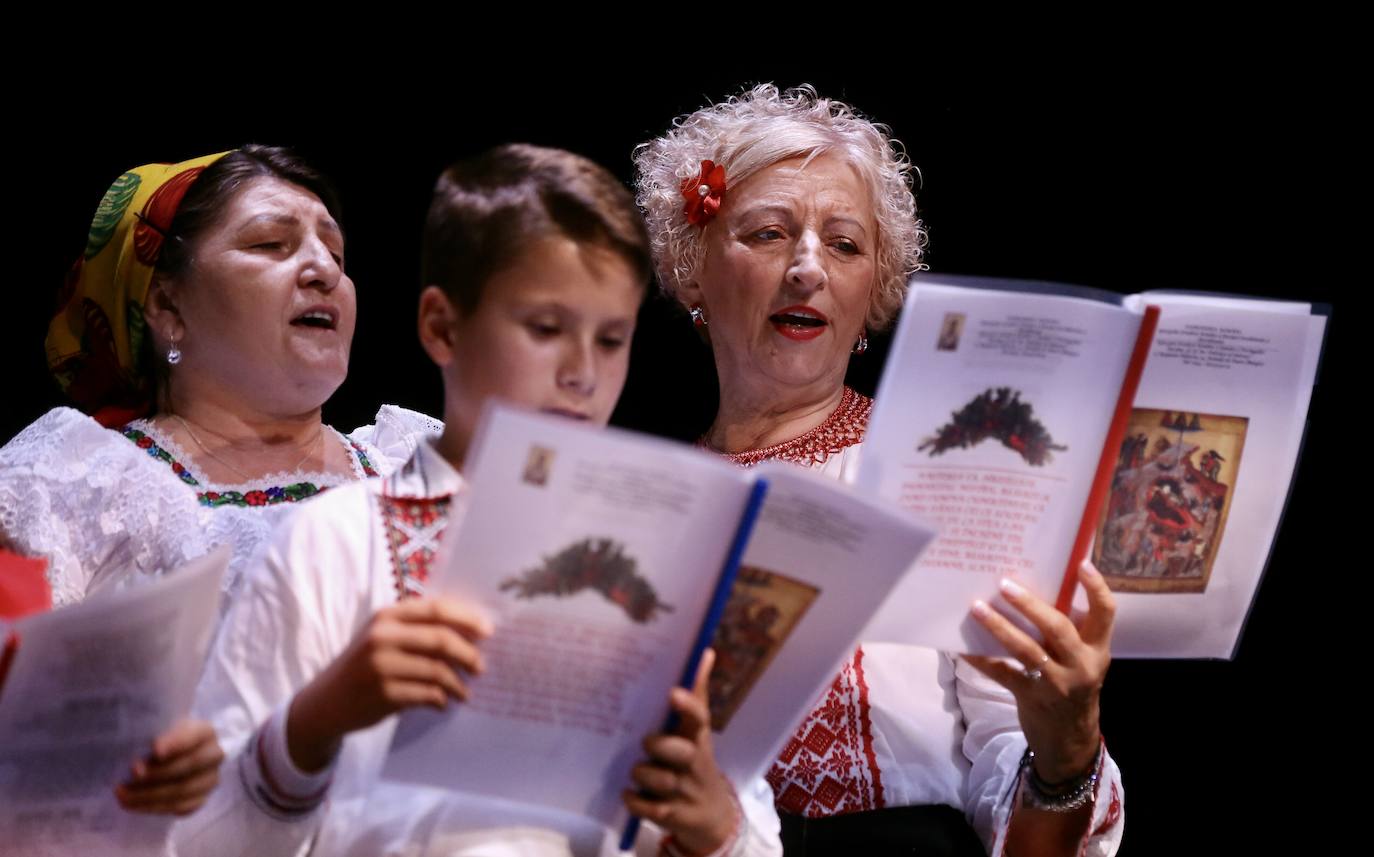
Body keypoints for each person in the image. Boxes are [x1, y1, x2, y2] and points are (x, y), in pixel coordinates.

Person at [176, 144, 782, 857]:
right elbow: (199, 839)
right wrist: (316, 721)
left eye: (611, 339)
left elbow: (747, 829)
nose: (582, 373)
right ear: (442, 326)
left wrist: (713, 823)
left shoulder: (665, 559)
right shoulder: (334, 539)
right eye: (546, 329)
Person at [635, 85, 1124, 856]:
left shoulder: (953, 478)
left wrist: (1065, 753)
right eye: (767, 233)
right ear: (690, 267)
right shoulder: (641, 502)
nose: (806, 268)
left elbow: (1020, 793)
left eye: (844, 244)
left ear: (875, 292)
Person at [0, 147, 435, 819]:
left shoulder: (418, 462)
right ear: (169, 307)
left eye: (337, 255)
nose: (322, 269)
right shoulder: (78, 482)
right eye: (272, 244)